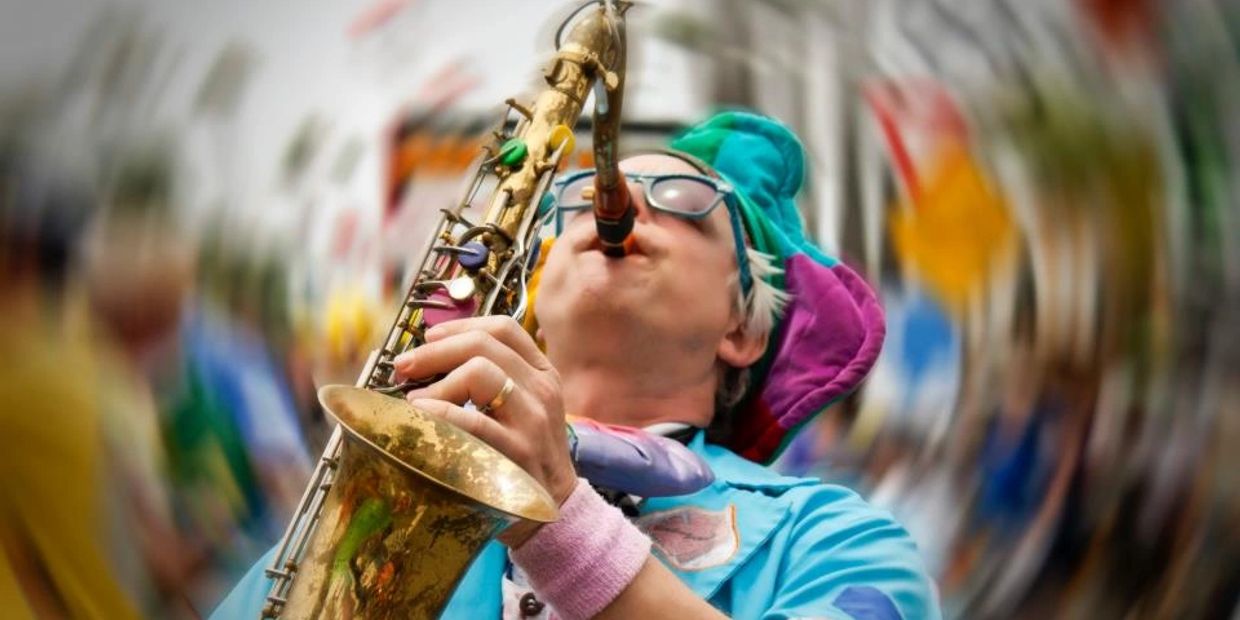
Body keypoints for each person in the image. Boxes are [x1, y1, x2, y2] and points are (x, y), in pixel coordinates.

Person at [213, 112, 940, 619]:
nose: (615, 201)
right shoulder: (360, 528)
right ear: (536, 296)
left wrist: (564, 527)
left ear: (741, 330)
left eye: (686, 200)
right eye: (583, 195)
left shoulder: (836, 537)